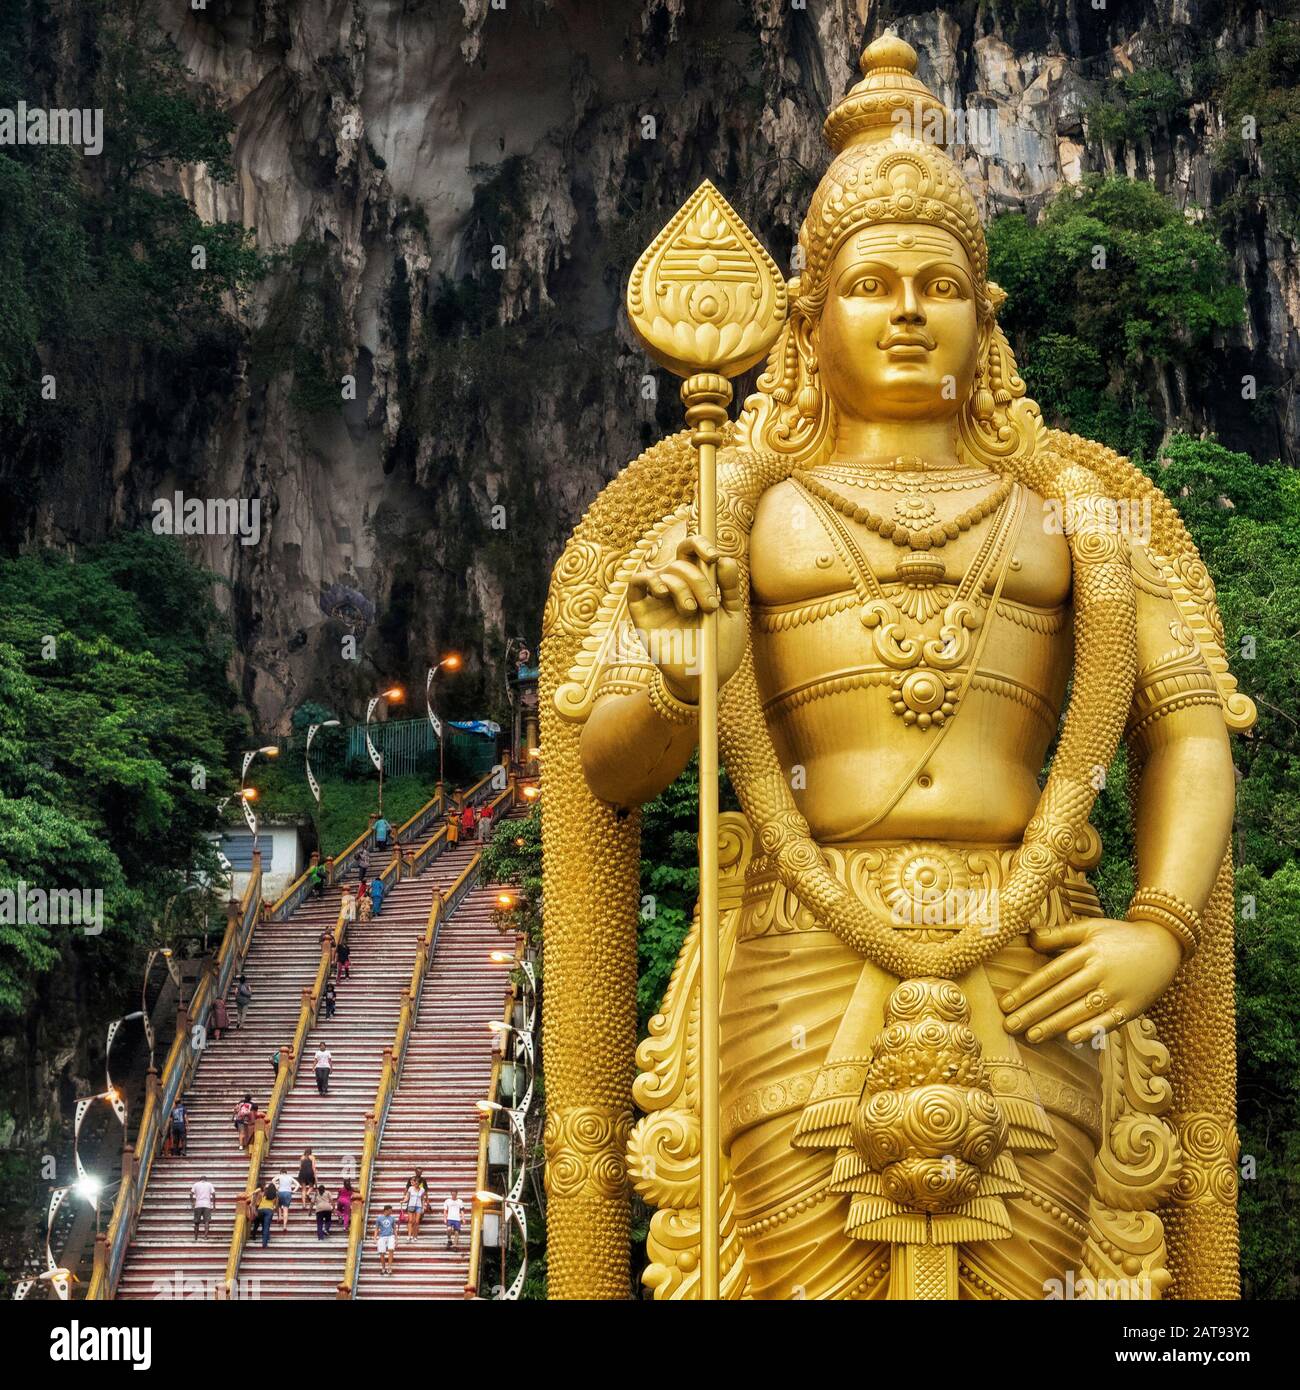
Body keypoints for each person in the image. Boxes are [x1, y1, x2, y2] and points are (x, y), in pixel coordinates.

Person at [373, 1205, 398, 1276]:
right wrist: (375, 1238)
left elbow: (394, 1229)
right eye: (390, 1210)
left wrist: (396, 1239)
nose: (391, 1212)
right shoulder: (379, 1218)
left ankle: (389, 1267)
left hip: (390, 1236)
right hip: (382, 1236)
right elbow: (376, 1229)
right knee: (382, 1253)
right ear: (386, 1210)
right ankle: (383, 1268)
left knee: (391, 1250)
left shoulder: (392, 1218)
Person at [403, 1171, 427, 1241]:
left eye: (417, 1183)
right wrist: (403, 1201)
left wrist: (423, 1207)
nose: (415, 1184)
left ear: (419, 1183)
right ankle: (409, 1235)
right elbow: (407, 1197)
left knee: (416, 1222)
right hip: (411, 1205)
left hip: (418, 1206)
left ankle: (415, 1236)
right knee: (410, 1221)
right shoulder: (410, 1188)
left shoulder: (422, 1190)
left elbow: (423, 1199)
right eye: (415, 1182)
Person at [253, 1182, 277, 1248]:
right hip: (269, 1210)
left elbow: (258, 1202)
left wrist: (255, 1209)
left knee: (263, 1224)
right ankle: (264, 1243)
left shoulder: (263, 1194)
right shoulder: (276, 1195)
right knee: (266, 1226)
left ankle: (267, 1237)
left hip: (260, 1210)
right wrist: (276, 1213)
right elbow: (276, 1206)